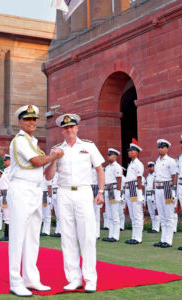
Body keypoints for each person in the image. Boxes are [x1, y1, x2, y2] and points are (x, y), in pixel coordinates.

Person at [7, 104, 63, 297]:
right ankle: (16, 281)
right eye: (27, 119)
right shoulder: (20, 140)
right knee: (18, 236)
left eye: (34, 119)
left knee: (32, 236)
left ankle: (31, 278)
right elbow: (36, 161)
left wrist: (54, 159)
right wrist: (53, 155)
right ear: (20, 122)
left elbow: (47, 175)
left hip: (35, 190)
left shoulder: (33, 141)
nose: (31, 122)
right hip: (21, 188)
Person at [46, 113, 105, 293]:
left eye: (72, 126)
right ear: (61, 131)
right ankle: (74, 278)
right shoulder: (56, 149)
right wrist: (54, 158)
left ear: (77, 128)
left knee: (87, 236)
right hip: (64, 192)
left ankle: (90, 278)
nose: (69, 130)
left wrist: (101, 191)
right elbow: (48, 176)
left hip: (83, 191)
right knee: (68, 237)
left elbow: (99, 169)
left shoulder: (88, 146)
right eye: (65, 128)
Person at [154, 139, 177, 248]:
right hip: (158, 189)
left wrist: (173, 192)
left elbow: (174, 177)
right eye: (159, 147)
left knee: (169, 215)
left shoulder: (171, 161)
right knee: (162, 216)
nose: (160, 149)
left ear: (167, 148)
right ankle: (163, 239)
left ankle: (168, 240)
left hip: (167, 188)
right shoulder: (157, 161)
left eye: (162, 147)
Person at [124, 143, 144, 245]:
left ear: (136, 152)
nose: (129, 152)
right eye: (129, 150)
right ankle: (134, 236)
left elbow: (139, 179)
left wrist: (140, 194)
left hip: (134, 188)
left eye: (131, 150)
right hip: (129, 188)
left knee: (137, 214)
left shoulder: (138, 164)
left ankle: (138, 238)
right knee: (132, 215)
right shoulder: (131, 164)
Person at [102, 148, 122, 242]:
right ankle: (110, 235)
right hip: (107, 190)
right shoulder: (108, 167)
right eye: (108, 155)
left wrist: (117, 194)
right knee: (109, 213)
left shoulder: (117, 167)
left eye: (110, 155)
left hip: (113, 191)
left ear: (115, 156)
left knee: (115, 214)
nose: (108, 156)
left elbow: (119, 181)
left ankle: (115, 236)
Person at [0, 154, 11, 241]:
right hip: (3, 194)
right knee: (5, 215)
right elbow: (2, 185)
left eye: (6, 160)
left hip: (8, 194)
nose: (4, 161)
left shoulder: (11, 171)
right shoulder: (5, 170)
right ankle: (7, 235)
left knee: (7, 216)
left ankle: (7, 235)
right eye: (4, 160)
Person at [145, 162, 160, 233]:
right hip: (148, 195)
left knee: (156, 211)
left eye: (151, 167)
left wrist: (155, 197)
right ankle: (153, 227)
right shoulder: (148, 176)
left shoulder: (156, 175)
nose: (150, 168)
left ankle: (156, 228)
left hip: (153, 195)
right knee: (151, 212)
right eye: (149, 167)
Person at [40, 172, 52, 237]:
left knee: (47, 215)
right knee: (43, 215)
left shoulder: (47, 176)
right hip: (41, 195)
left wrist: (50, 197)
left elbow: (49, 187)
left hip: (46, 195)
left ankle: (47, 231)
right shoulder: (39, 176)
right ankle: (44, 230)